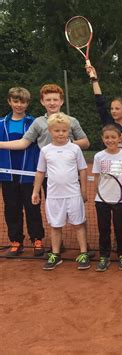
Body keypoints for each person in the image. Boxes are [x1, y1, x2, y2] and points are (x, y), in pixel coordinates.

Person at [86, 65, 122, 250]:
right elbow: (99, 102)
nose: (113, 111)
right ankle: (116, 241)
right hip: (110, 174)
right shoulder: (108, 125)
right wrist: (94, 79)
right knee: (114, 209)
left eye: (117, 108)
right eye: (112, 108)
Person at [31, 113, 89, 270]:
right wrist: (35, 191)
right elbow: (40, 172)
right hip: (54, 196)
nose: (61, 134)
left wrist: (83, 190)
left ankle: (84, 253)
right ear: (50, 131)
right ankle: (56, 255)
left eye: (64, 130)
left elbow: (83, 170)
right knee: (55, 226)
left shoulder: (75, 148)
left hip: (73, 195)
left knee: (78, 224)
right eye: (57, 130)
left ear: (68, 131)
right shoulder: (45, 150)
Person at [0, 87, 45, 256]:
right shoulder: (1, 124)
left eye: (23, 102)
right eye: (16, 101)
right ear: (9, 101)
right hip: (7, 174)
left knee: (33, 207)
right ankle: (16, 241)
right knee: (12, 208)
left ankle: (37, 240)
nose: (19, 105)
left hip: (29, 174)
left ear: (27, 103)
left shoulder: (35, 123)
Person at [92, 125, 122, 272]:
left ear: (120, 138)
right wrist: (97, 195)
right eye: (107, 137)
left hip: (120, 199)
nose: (110, 140)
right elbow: (96, 177)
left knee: (120, 229)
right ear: (102, 139)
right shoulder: (98, 156)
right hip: (102, 200)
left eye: (113, 137)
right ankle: (104, 256)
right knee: (103, 229)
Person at [0, 84, 90, 152]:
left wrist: (67, 143)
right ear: (42, 102)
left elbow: (85, 143)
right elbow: (23, 143)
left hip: (69, 169)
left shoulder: (72, 120)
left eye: (55, 100)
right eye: (48, 100)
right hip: (46, 171)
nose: (52, 103)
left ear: (61, 101)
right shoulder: (38, 122)